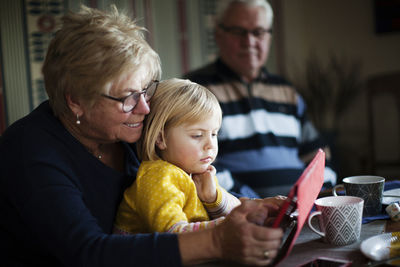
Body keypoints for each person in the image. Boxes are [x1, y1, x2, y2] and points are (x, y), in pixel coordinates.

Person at [0, 5, 285, 267]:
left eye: (146, 90)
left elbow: (190, 185)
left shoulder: (129, 129)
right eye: (128, 97)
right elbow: (87, 253)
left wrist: (247, 207)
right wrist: (218, 240)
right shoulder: (29, 151)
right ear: (76, 100)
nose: (145, 107)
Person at [184, 0, 337, 198]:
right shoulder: (195, 90)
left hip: (301, 209)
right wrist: (252, 202)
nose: (249, 41)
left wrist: (316, 194)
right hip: (238, 212)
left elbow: (319, 155)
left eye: (258, 32)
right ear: (218, 35)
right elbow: (194, 164)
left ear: (269, 37)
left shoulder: (286, 91)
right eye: (238, 31)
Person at [114, 78, 241, 234]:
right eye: (197, 135)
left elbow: (237, 211)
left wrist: (213, 197)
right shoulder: (158, 177)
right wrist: (230, 224)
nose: (210, 145)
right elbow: (174, 235)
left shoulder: (196, 171)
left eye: (214, 134)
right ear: (161, 138)